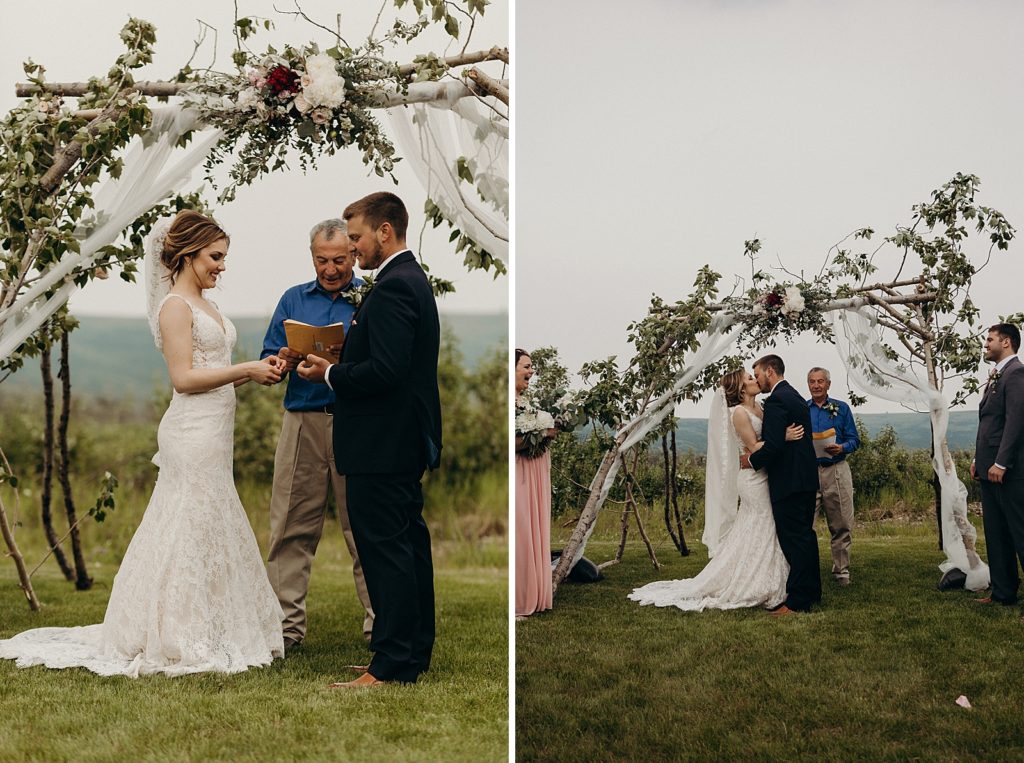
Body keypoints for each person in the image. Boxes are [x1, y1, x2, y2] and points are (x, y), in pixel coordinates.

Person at [0, 210, 285, 676]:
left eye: (224, 257)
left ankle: (209, 625)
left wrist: (257, 374)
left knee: (206, 524)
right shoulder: (175, 306)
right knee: (185, 525)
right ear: (188, 254)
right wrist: (245, 369)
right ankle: (173, 631)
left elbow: (212, 376)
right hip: (190, 434)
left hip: (215, 432)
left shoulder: (206, 304)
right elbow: (184, 379)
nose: (222, 266)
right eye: (215, 257)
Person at [297, 192, 441, 687]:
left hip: (382, 443)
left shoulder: (397, 286)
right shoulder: (407, 280)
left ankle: (392, 664)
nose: (353, 248)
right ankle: (408, 653)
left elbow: (387, 371)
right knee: (406, 546)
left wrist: (331, 374)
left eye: (356, 237)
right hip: (395, 441)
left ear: (385, 231)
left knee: (387, 552)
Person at [261, 219, 374, 653]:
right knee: (289, 527)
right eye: (322, 260)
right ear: (312, 256)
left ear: (354, 255)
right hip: (302, 420)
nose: (330, 269)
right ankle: (284, 631)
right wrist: (283, 359)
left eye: (340, 260)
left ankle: (378, 627)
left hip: (355, 420)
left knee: (363, 527)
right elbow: (267, 361)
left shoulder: (369, 296)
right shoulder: (293, 298)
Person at [629, 369, 803, 612]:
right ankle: (753, 582)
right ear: (741, 388)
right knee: (762, 522)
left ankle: (772, 577)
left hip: (765, 474)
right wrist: (782, 437)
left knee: (762, 526)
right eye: (749, 379)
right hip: (752, 479)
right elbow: (753, 447)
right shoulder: (739, 413)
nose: (755, 380)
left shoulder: (761, 408)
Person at [742, 354, 821, 615]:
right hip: (806, 479)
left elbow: (774, 446)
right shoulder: (795, 396)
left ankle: (797, 602)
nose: (757, 379)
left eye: (758, 374)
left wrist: (750, 461)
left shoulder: (776, 400)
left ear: (771, 371)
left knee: (795, 541)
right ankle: (812, 592)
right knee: (805, 538)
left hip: (789, 481)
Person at [971, 322, 1024, 606]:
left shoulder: (1016, 374)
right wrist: (979, 459)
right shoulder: (996, 376)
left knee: (1020, 532)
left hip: (1010, 472)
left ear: (1006, 342)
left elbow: (1016, 422)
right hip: (988, 469)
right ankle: (1003, 593)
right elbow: (990, 423)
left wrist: (1001, 463)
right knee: (996, 532)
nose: (985, 344)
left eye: (989, 339)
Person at [807, 366, 860, 586]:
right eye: (812, 382)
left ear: (828, 384)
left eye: (820, 381)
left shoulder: (841, 408)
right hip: (809, 471)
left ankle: (841, 570)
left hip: (836, 468)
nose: (816, 385)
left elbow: (854, 439)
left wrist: (842, 447)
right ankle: (805, 569)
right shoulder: (802, 408)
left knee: (841, 522)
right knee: (804, 522)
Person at [515, 349, 555, 618]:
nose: (531, 372)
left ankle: (536, 593)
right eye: (527, 366)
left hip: (535, 470)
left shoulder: (526, 402)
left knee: (534, 527)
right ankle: (520, 596)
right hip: (519, 472)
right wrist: (540, 432)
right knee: (521, 530)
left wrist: (549, 432)